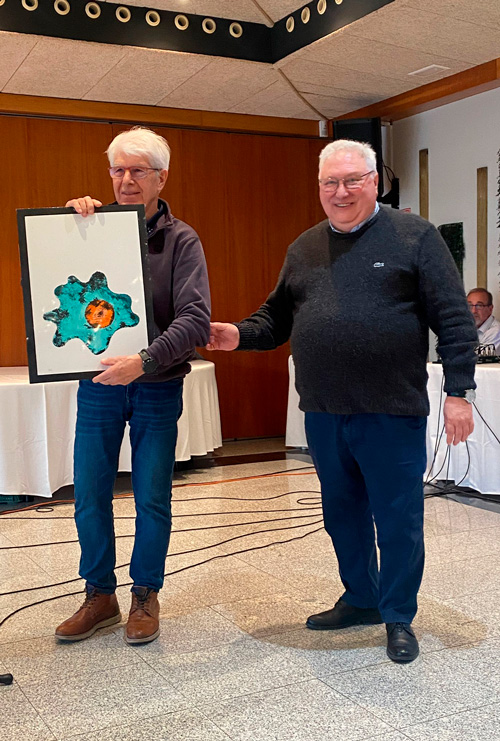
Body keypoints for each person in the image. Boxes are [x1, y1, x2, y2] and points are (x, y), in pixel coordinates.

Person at [208, 139, 477, 664]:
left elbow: (452, 317)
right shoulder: (304, 247)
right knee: (342, 515)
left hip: (391, 411)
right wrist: (238, 335)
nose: (341, 191)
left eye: (353, 180)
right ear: (319, 187)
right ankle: (362, 597)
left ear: (375, 182)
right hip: (325, 411)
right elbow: (276, 318)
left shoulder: (415, 237)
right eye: (330, 182)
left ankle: (397, 615)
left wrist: (458, 392)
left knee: (397, 519)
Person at [55, 126, 211, 645]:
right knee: (89, 495)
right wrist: (67, 228)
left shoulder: (182, 240)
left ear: (161, 178)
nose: (125, 180)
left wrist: (143, 362)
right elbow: (58, 283)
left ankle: (145, 593)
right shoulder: (89, 226)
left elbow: (195, 321)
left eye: (137, 171)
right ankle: (100, 595)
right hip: (99, 383)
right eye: (117, 170)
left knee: (152, 497)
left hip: (157, 385)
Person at [467, 287, 500, 354]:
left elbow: (476, 358)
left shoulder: (496, 332)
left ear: (490, 309)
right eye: (470, 305)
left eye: (479, 306)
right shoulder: (465, 327)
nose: (473, 311)